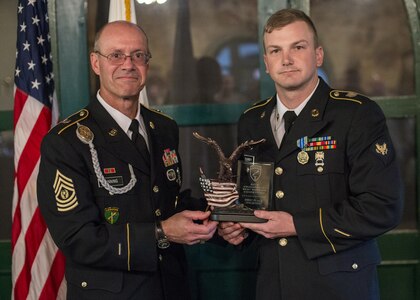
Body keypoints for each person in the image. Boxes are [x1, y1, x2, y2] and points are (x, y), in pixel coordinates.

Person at [217, 8, 403, 300]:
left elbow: (383, 207)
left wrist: (295, 225)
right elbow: (255, 198)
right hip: (273, 284)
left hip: (338, 286)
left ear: (318, 55)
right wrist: (237, 229)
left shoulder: (355, 115)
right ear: (266, 63)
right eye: (275, 51)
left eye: (298, 47)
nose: (286, 60)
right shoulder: (252, 121)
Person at [37, 21, 217, 300]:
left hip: (171, 288)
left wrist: (221, 214)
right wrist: (162, 233)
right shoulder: (66, 141)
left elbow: (165, 202)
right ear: (96, 63)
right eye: (116, 55)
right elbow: (78, 239)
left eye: (138, 55)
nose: (128, 64)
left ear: (147, 63)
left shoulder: (163, 127)